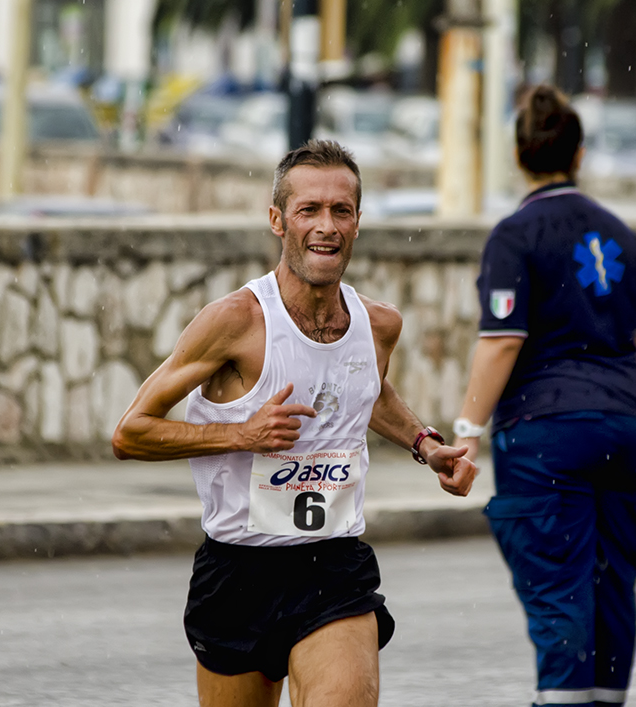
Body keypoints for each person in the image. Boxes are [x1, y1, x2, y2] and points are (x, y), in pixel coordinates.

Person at [111, 139, 477, 707]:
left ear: (358, 222)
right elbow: (130, 432)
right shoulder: (235, 322)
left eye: (341, 210)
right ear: (279, 221)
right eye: (309, 210)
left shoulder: (378, 325)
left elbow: (367, 391)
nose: (326, 226)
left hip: (332, 566)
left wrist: (425, 444)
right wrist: (242, 434)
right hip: (237, 569)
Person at [451, 84, 636, 707]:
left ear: (519, 157)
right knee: (612, 582)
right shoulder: (624, 235)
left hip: (545, 430)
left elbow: (501, 342)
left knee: (557, 584)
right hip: (630, 426)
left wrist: (466, 428)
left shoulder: (514, 236)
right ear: (581, 152)